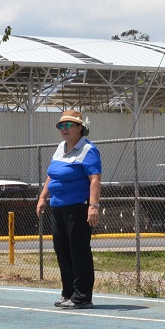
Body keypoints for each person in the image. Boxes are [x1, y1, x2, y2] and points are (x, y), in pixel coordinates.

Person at [36, 110, 102, 310]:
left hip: (78, 207)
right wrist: (42, 197)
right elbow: (52, 175)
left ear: (79, 127)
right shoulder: (60, 148)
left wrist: (93, 206)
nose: (63, 129)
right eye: (61, 126)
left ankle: (82, 296)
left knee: (78, 250)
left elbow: (95, 180)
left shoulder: (88, 150)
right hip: (58, 206)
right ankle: (68, 293)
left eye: (68, 125)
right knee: (62, 250)